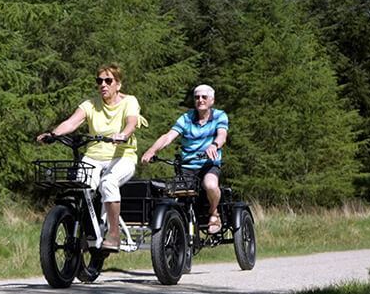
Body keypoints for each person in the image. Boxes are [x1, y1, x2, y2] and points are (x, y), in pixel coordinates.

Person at [37, 63, 143, 251]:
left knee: (108, 183)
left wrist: (123, 135)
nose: (103, 84)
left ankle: (114, 234)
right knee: (80, 186)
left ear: (118, 84)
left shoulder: (129, 101)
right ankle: (85, 231)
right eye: (99, 81)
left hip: (122, 156)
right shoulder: (90, 105)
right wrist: (53, 135)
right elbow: (72, 122)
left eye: (108, 81)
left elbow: (132, 122)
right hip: (94, 156)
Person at [142, 84, 230, 234]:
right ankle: (171, 225)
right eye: (197, 97)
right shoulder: (186, 118)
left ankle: (214, 213)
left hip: (209, 164)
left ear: (212, 100)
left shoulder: (219, 116)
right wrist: (152, 150)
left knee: (210, 185)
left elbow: (222, 135)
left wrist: (214, 145)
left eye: (204, 97)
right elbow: (169, 136)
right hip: (187, 166)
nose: (200, 100)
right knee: (172, 193)